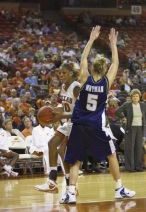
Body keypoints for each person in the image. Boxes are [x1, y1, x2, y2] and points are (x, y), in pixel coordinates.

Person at [60, 26, 136, 204]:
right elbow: (116, 63)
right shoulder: (106, 82)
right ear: (104, 69)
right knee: (111, 154)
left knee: (76, 159)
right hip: (96, 126)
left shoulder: (84, 77)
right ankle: (119, 189)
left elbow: (83, 57)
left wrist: (92, 39)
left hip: (79, 125)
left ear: (93, 67)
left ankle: (71, 193)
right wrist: (113, 44)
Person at [34, 62, 80, 194]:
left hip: (78, 123)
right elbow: (61, 106)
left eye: (64, 72)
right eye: (59, 72)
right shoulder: (63, 86)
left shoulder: (76, 87)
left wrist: (60, 116)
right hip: (68, 123)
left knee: (64, 152)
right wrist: (52, 111)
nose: (60, 75)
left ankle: (70, 185)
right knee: (52, 143)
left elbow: (82, 111)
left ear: (71, 73)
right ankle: (53, 181)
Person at [116, 88, 146, 172]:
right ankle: (130, 167)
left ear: (139, 97)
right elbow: (118, 111)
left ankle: (138, 166)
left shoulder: (143, 105)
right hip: (130, 128)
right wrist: (123, 117)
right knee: (130, 148)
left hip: (140, 128)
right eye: (134, 96)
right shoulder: (127, 104)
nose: (135, 97)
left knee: (139, 148)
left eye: (137, 96)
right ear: (131, 97)